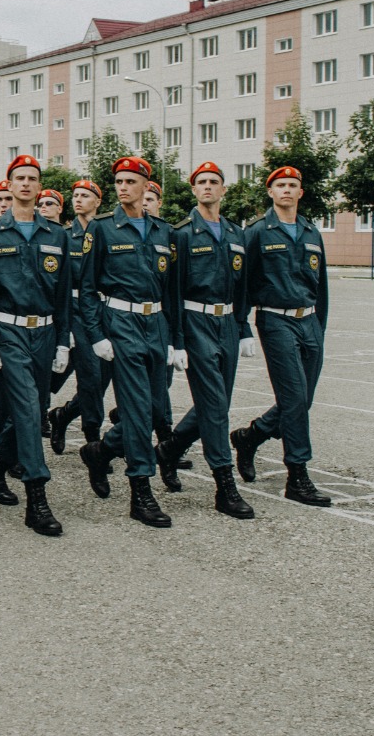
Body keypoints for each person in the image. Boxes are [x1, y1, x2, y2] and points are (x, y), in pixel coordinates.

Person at [78, 156, 181, 528]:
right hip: (120, 323)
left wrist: (175, 339)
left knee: (154, 411)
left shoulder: (162, 230)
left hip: (156, 324)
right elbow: (87, 289)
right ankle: (141, 490)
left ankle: (101, 451)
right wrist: (97, 335)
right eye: (118, 181)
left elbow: (171, 292)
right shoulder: (103, 228)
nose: (122, 187)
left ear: (147, 187)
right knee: (136, 409)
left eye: (130, 181)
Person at [153, 161, 255, 517]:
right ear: (194, 190)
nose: (208, 187)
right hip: (195, 321)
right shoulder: (181, 234)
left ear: (224, 190)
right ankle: (224, 485)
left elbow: (243, 288)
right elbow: (173, 291)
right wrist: (177, 340)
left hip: (226, 322)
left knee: (219, 403)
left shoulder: (235, 234)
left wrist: (244, 328)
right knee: (213, 404)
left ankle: (168, 449)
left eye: (214, 182)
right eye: (201, 182)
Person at [0, 154, 71, 536]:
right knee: (31, 412)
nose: (27, 184)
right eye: (20, 178)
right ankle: (37, 498)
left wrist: (63, 342)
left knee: (35, 407)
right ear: (10, 186)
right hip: (7, 331)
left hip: (45, 333)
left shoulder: (57, 235)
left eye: (33, 178)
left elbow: (63, 295)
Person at [230, 166, 331, 507]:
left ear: (301, 192)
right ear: (270, 192)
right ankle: (297, 475)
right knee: (293, 399)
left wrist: (320, 327)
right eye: (280, 185)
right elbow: (241, 283)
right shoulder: (258, 232)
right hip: (275, 321)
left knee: (303, 401)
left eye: (292, 185)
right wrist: (242, 326)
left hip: (309, 322)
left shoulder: (311, 231)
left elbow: (322, 287)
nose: (286, 190)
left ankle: (250, 436)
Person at [47, 178, 105, 455]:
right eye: (75, 195)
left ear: (98, 201)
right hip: (73, 311)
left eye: (85, 195)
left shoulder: (105, 232)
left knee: (98, 378)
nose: (78, 199)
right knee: (81, 376)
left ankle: (71, 421)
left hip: (100, 310)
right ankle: (90, 435)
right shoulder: (65, 236)